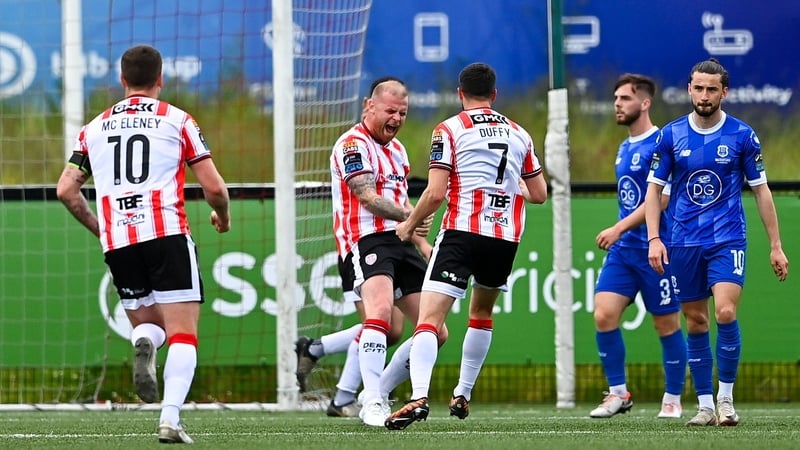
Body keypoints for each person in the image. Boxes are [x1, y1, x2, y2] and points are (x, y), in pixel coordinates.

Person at [56, 44, 230, 444]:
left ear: (122, 80)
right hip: (166, 232)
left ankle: (142, 341)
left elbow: (66, 189)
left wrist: (101, 228)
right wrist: (223, 216)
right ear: (160, 79)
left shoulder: (93, 128)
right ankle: (170, 419)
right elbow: (214, 188)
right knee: (184, 332)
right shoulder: (177, 119)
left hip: (118, 241)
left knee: (152, 326)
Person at [385, 62, 547, 430]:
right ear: (495, 95)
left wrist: (409, 226)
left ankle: (418, 396)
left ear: (460, 94)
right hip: (504, 238)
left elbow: (436, 192)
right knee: (481, 314)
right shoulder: (520, 133)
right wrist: (507, 188)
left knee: (429, 320)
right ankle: (463, 392)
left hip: (462, 232)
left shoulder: (450, 129)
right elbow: (539, 194)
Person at [644, 58, 789, 427]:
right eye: (698, 88)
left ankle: (725, 399)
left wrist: (775, 245)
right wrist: (654, 239)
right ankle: (705, 404)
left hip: (727, 238)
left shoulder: (742, 135)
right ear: (689, 89)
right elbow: (654, 191)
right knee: (695, 321)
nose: (704, 95)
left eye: (712, 89)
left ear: (724, 92)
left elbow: (761, 191)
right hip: (682, 242)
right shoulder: (671, 136)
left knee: (725, 312)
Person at [329, 77, 447, 427]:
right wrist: (412, 215)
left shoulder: (397, 151)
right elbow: (367, 197)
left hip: (399, 240)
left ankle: (374, 391)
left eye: (403, 113)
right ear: (369, 106)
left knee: (435, 332)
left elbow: (399, 201)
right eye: (390, 111)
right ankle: (374, 403)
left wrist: (421, 240)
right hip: (364, 238)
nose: (396, 119)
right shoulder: (352, 144)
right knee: (379, 312)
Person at [589, 74, 688, 419]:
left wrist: (618, 227)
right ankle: (618, 394)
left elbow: (660, 200)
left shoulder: (661, 142)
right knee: (603, 314)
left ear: (644, 103)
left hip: (656, 249)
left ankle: (673, 398)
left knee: (666, 325)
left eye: (625, 98)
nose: (618, 103)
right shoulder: (625, 146)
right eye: (616, 98)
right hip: (624, 253)